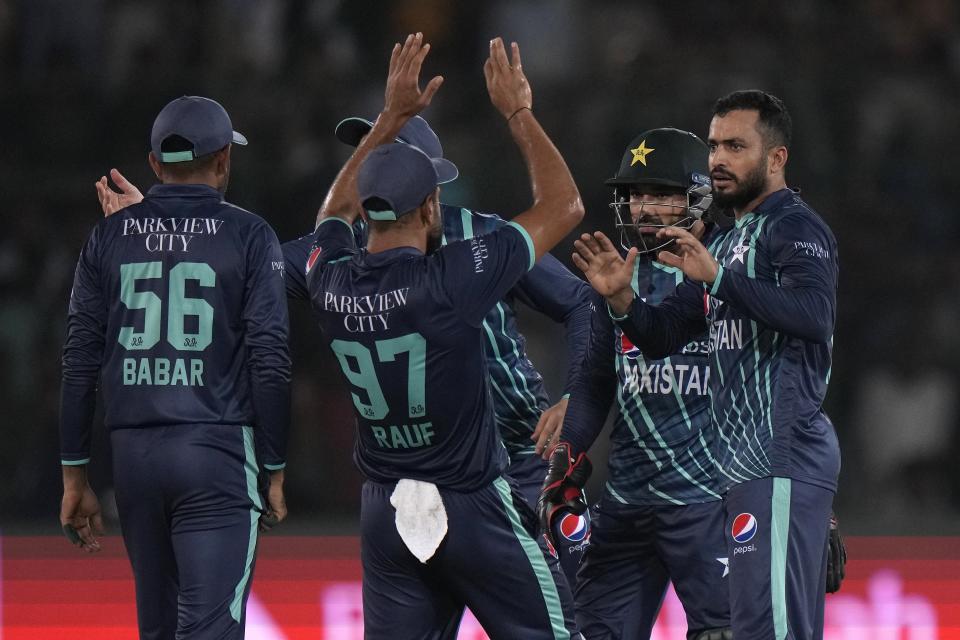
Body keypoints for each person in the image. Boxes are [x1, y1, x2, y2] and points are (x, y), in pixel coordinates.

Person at [96, 74, 594, 591]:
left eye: (381, 151)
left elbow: (581, 303)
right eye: (364, 153)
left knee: (570, 607)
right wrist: (162, 228)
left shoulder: (481, 236)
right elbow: (236, 267)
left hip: (518, 459)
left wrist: (576, 396)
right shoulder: (339, 253)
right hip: (413, 485)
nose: (366, 167)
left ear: (428, 185)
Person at [308, 34, 584, 638]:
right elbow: (564, 205)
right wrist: (517, 111)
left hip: (387, 504)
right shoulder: (456, 275)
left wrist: (390, 118)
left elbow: (329, 216)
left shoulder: (326, 275)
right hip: (474, 495)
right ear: (431, 204)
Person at [571, 90, 840, 640]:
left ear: (775, 158)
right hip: (744, 470)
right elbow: (664, 334)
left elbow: (815, 314)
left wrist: (719, 280)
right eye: (715, 145)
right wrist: (622, 301)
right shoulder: (734, 237)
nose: (718, 158)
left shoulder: (792, 226)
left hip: (780, 460)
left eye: (736, 146)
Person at [60, 95, 291, 639]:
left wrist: (75, 476)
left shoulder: (109, 235)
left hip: (134, 461)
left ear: (155, 164)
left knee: (159, 631)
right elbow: (272, 361)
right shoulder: (250, 235)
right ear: (224, 160)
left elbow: (78, 362)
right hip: (217, 455)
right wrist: (276, 467)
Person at [543, 127, 732, 640]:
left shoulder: (728, 268)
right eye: (634, 195)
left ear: (697, 198)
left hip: (708, 499)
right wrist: (568, 454)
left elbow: (776, 382)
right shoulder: (615, 271)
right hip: (627, 499)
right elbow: (597, 377)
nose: (643, 209)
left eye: (659, 195)